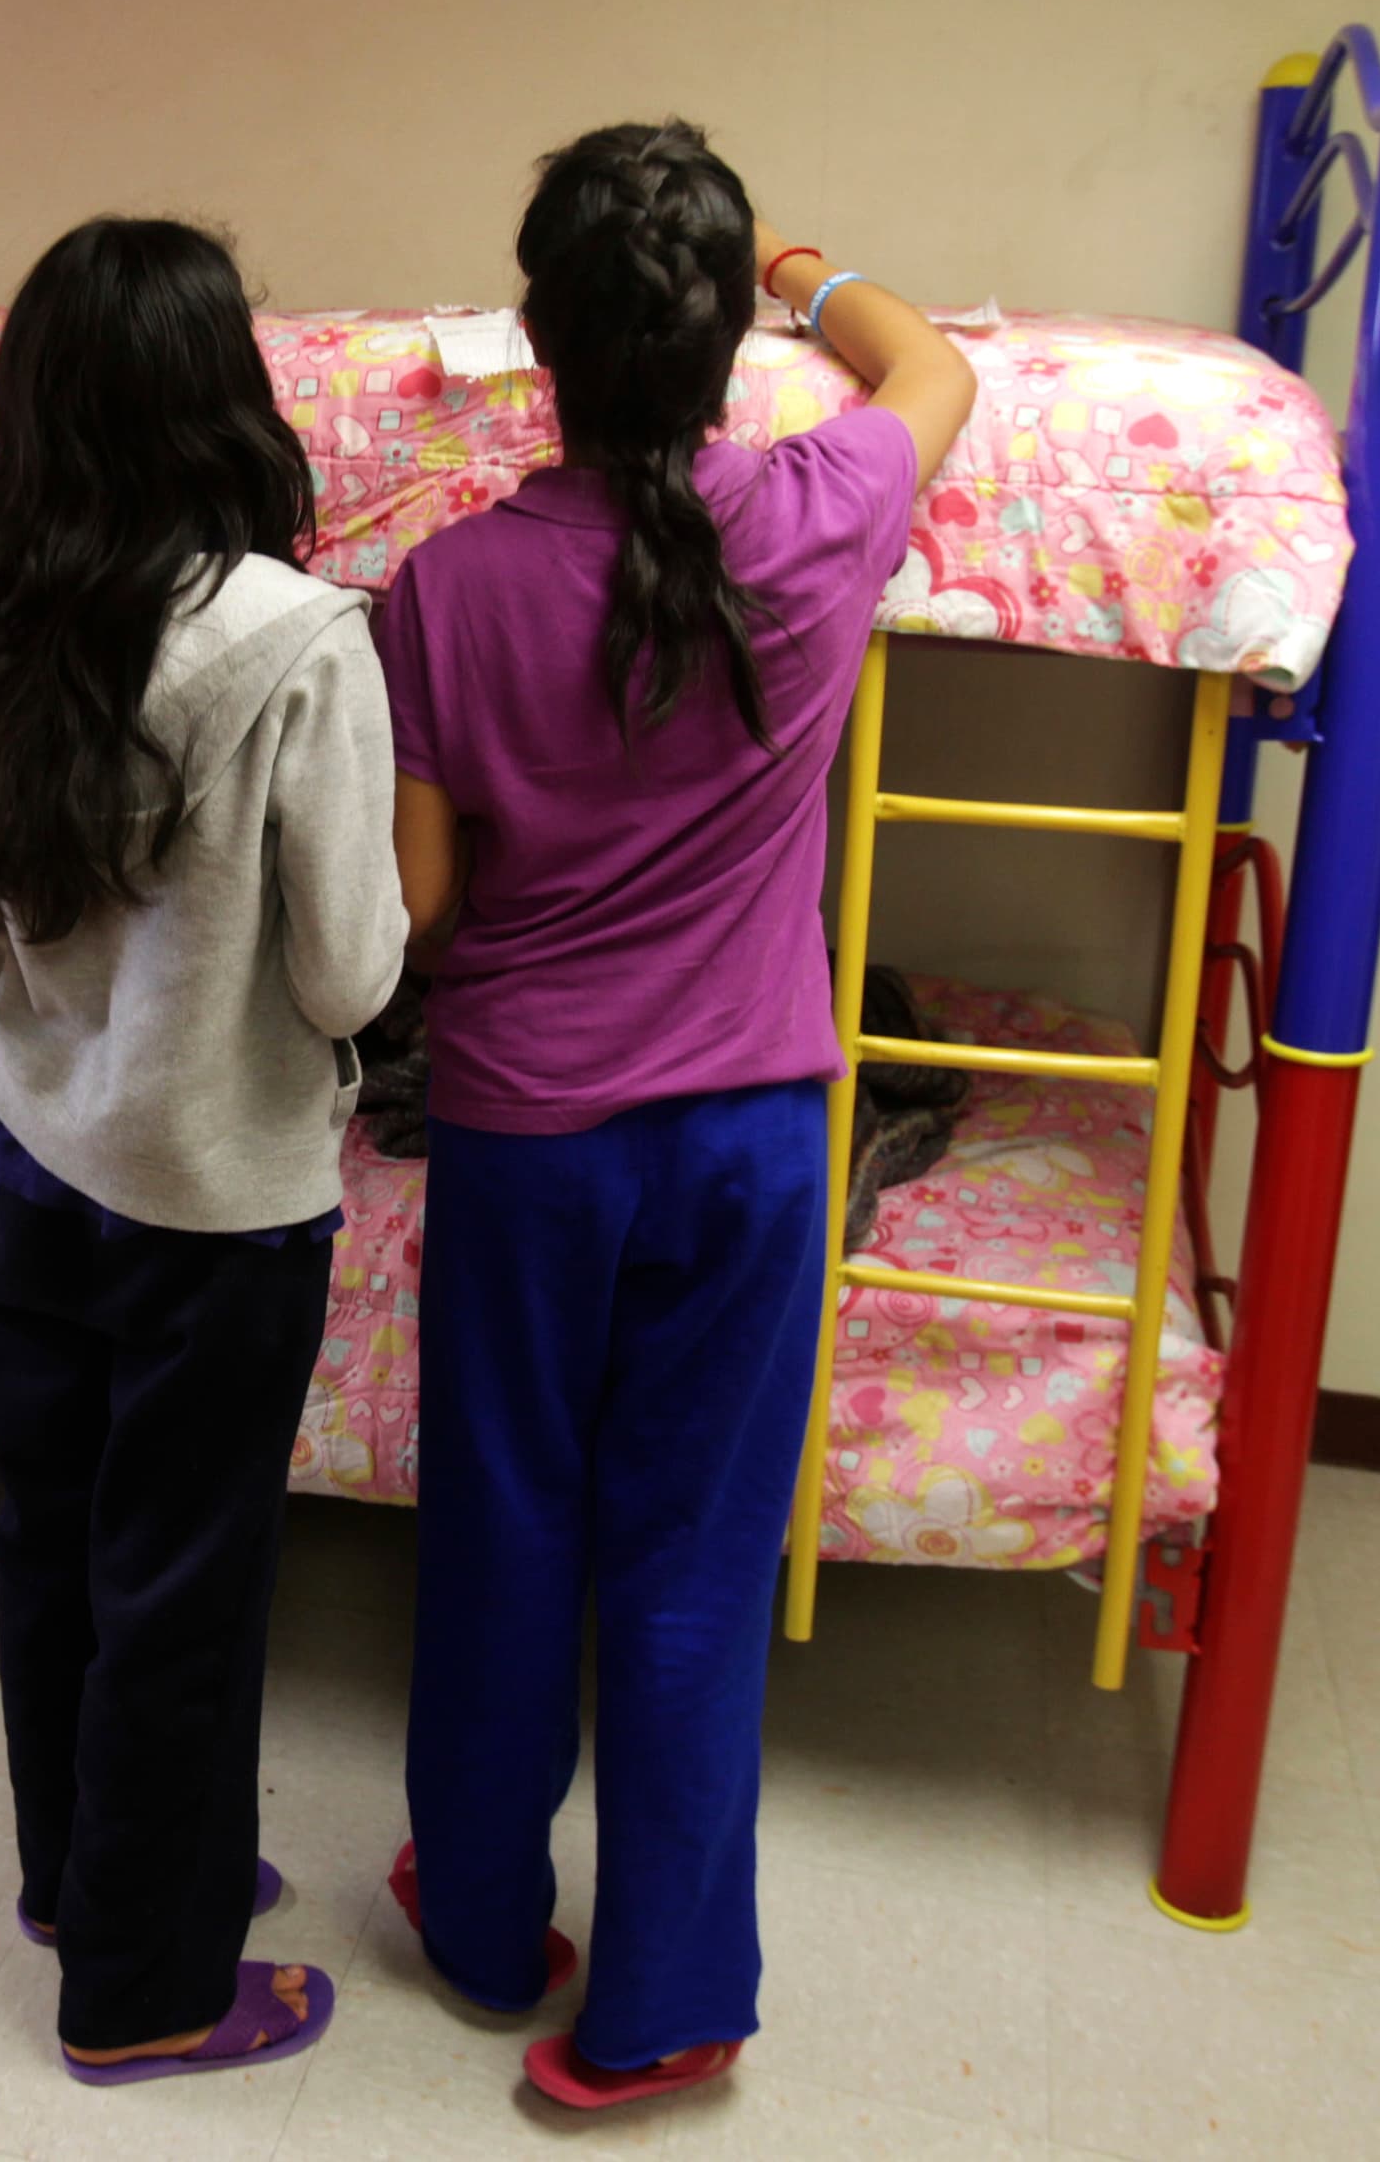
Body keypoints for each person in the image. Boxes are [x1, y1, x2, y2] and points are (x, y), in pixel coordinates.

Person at [380, 123, 977, 2110]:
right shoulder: (818, 508)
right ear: (722, 336)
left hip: (527, 1136)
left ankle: (474, 1918)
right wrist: (813, 271)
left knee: (499, 1530)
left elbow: (423, 911)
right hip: (746, 1142)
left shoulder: (444, 587)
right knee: (691, 1562)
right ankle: (655, 2007)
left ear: (538, 338)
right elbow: (935, 369)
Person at [0, 216, 405, 2086]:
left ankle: (78, 1879)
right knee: (184, 1585)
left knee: (57, 1548)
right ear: (220, 397)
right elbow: (346, 977)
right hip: (217, 1208)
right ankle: (148, 1986)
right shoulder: (294, 642)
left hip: (25, 1168)